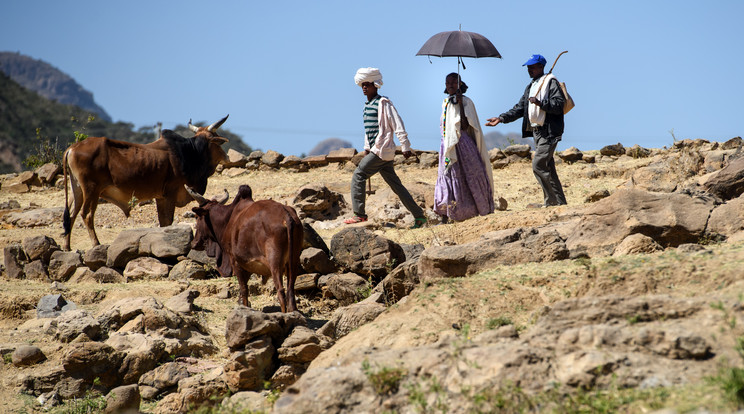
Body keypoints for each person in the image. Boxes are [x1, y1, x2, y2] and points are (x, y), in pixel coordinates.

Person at [345, 67, 427, 229]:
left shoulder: (383, 103)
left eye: (368, 84)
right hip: (377, 151)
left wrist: (405, 145)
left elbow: (397, 122)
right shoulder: (366, 105)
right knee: (396, 185)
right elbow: (370, 130)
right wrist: (366, 147)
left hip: (382, 150)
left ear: (376, 85)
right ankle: (419, 217)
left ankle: (359, 215)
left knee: (359, 175)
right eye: (363, 84)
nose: (364, 87)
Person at [485, 54, 567, 207]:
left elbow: (558, 105)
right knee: (547, 167)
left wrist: (541, 103)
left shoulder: (551, 82)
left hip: (549, 131)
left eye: (533, 67)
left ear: (541, 67)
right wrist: (501, 118)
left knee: (538, 165)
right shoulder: (531, 86)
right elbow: (520, 108)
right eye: (528, 67)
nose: (529, 70)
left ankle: (551, 202)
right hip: (537, 132)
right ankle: (560, 203)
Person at [435, 73, 494, 222]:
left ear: (460, 84)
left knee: (471, 174)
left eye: (454, 83)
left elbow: (467, 125)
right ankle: (447, 215)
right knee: (448, 175)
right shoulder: (445, 102)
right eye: (448, 82)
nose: (450, 85)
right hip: (448, 145)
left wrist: (460, 105)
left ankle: (479, 210)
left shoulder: (467, 102)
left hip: (463, 145)